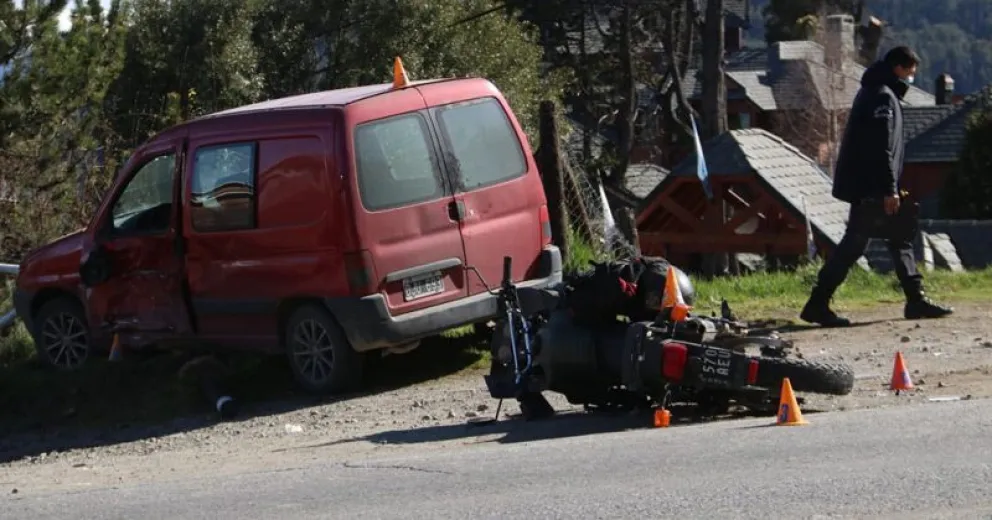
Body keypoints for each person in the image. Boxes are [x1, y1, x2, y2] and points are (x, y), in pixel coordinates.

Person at [800, 45, 953, 327]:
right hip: (872, 189)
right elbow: (881, 147)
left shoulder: (873, 91)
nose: (910, 79)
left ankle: (915, 299)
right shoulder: (882, 97)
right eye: (910, 73)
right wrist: (889, 189)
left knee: (899, 238)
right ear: (898, 68)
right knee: (854, 245)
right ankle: (817, 304)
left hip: (869, 186)